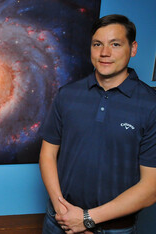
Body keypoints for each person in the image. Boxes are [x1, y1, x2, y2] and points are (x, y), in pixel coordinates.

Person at [39, 14, 156, 234]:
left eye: (115, 44)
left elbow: (151, 188)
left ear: (133, 48)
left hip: (114, 229)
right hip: (58, 221)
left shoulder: (151, 106)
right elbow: (47, 154)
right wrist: (64, 213)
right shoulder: (67, 95)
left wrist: (86, 219)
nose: (105, 53)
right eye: (97, 44)